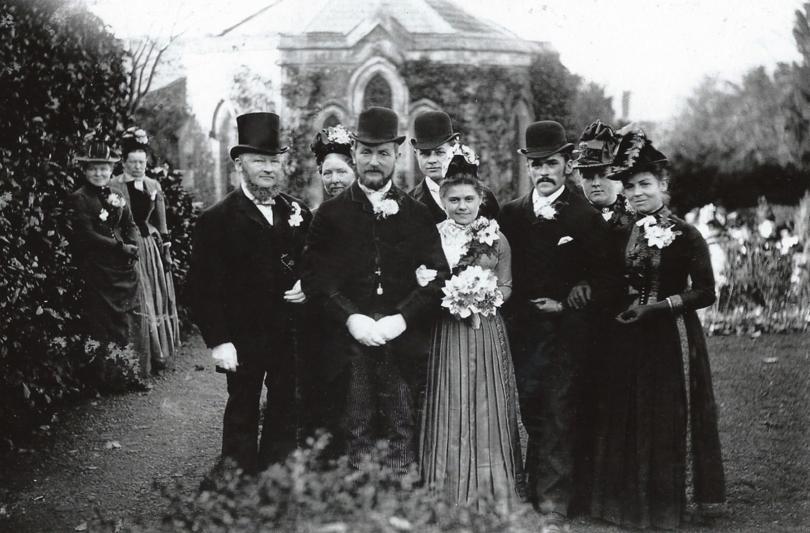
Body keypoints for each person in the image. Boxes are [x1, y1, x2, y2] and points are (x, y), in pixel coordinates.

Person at [590, 126, 725, 529]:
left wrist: (659, 307)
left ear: (663, 185)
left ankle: (669, 505)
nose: (635, 194)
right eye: (629, 187)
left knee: (667, 413)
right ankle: (630, 503)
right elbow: (611, 278)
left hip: (671, 335)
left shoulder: (686, 234)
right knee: (629, 411)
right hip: (628, 334)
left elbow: (705, 292)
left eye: (644, 184)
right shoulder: (619, 230)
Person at [301, 106, 449, 472]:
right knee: (357, 417)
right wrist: (350, 318)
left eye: (383, 153)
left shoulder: (416, 214)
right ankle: (360, 497)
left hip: (402, 338)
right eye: (366, 152)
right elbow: (316, 279)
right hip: (349, 340)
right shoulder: (330, 215)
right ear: (354, 153)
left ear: (397, 156)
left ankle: (400, 493)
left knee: (402, 418)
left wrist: (402, 317)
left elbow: (439, 275)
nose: (373, 161)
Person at [498, 121, 621, 533]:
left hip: (568, 333)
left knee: (559, 409)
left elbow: (608, 279)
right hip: (523, 332)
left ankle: (555, 503)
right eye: (536, 164)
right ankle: (539, 488)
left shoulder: (585, 216)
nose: (543, 171)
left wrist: (570, 299)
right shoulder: (511, 214)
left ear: (567, 164)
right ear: (528, 168)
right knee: (532, 408)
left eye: (551, 163)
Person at [186, 112, 312, 473]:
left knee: (285, 406)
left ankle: (275, 478)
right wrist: (219, 341)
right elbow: (202, 286)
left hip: (289, 334)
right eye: (259, 160)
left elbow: (315, 263)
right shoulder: (217, 219)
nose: (268, 168)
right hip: (244, 337)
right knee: (242, 406)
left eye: (274, 160)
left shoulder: (298, 211)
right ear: (240, 164)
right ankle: (237, 485)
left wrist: (308, 284)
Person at [419, 149, 523, 510]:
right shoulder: (433, 236)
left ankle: (491, 487)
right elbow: (427, 281)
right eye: (454, 199)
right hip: (446, 331)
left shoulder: (496, 237)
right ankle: (447, 488)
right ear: (443, 201)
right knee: (450, 397)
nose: (462, 206)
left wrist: (483, 299)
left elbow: (507, 285)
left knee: (485, 401)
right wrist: (455, 300)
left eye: (468, 199)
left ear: (481, 199)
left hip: (486, 328)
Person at [67, 140, 143, 364]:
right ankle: (108, 376)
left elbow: (129, 223)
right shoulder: (79, 198)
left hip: (123, 266)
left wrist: (132, 243)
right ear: (84, 171)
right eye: (93, 168)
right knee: (104, 322)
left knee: (126, 319)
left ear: (111, 170)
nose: (99, 173)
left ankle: (128, 370)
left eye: (103, 168)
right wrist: (120, 247)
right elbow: (87, 234)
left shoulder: (116, 193)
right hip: (98, 267)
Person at [111, 127, 180, 373]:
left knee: (155, 295)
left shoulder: (153, 185)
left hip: (149, 246)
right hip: (127, 247)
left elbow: (162, 222)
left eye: (142, 161)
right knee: (139, 296)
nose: (139, 166)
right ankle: (139, 357)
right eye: (133, 162)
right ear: (124, 162)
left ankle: (157, 354)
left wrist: (167, 251)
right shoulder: (113, 186)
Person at [409, 110, 499, 222]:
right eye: (424, 154)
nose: (432, 160)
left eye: (439, 152)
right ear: (416, 154)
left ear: (453, 150)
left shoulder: (483, 194)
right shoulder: (410, 203)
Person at [311, 124, 356, 201]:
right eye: (327, 173)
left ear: (355, 171)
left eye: (341, 172)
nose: (334, 180)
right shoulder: (316, 213)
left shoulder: (376, 210)